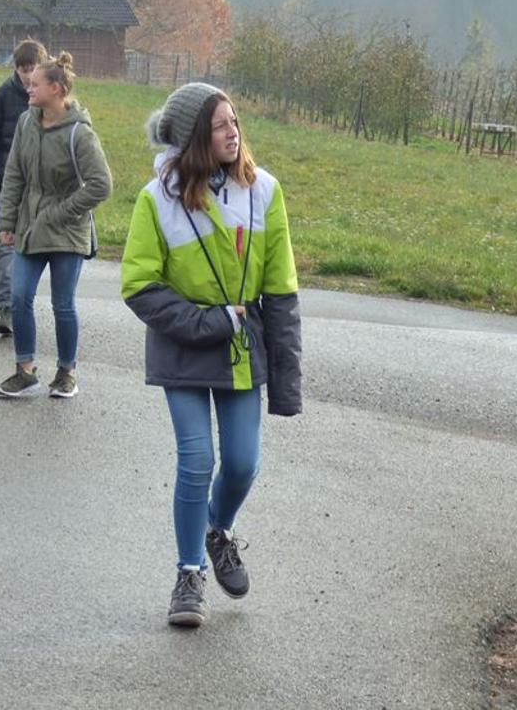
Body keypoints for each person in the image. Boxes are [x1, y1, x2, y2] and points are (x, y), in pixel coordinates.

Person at [119, 82, 302, 629]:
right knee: (197, 461)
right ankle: (189, 572)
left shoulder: (264, 191)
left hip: (240, 349)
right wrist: (208, 322)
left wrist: (286, 380)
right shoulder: (157, 198)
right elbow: (139, 284)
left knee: (243, 463)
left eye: (235, 121)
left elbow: (282, 290)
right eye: (220, 124)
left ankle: (217, 530)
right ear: (194, 135)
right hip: (181, 349)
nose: (233, 131)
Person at [0, 51, 112, 400]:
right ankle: (25, 370)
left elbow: (101, 185)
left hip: (68, 231)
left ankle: (66, 372)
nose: (28, 88)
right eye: (28, 83)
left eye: (35, 84)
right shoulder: (26, 123)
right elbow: (14, 174)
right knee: (19, 296)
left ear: (56, 89)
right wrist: (8, 219)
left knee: (63, 304)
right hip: (30, 226)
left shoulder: (80, 133)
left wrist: (61, 212)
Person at [0, 39, 46, 337]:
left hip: (41, 192)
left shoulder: (48, 98)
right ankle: (7, 307)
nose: (28, 76)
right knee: (7, 247)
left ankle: (24, 304)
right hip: (7, 188)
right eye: (23, 69)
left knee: (34, 251)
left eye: (33, 69)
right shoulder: (2, 96)